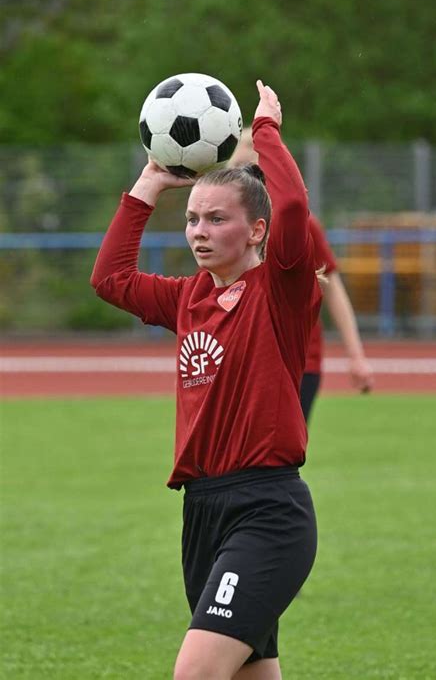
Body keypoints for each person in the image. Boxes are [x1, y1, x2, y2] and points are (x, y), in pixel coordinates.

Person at [91, 81, 321, 680]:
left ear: (256, 233)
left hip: (267, 511)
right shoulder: (188, 298)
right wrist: (150, 182)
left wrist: (266, 130)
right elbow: (110, 279)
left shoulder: (281, 290)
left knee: (195, 673)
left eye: (217, 219)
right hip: (203, 512)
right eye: (192, 219)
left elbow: (292, 207)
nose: (198, 231)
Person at [229, 129, 373, 423]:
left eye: (251, 149)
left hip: (298, 361)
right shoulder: (224, 230)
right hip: (245, 359)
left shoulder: (302, 225)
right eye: (236, 166)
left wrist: (355, 354)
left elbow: (332, 289)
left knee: (279, 455)